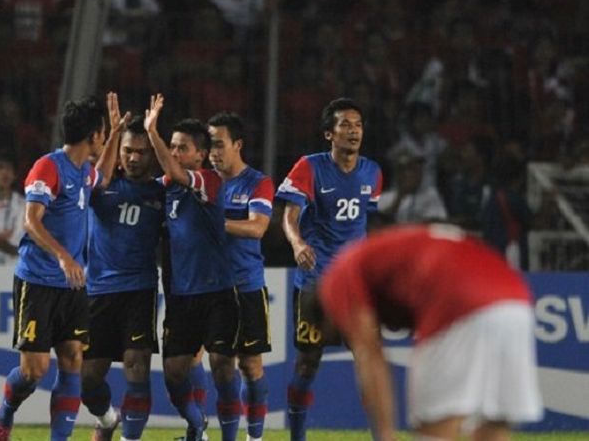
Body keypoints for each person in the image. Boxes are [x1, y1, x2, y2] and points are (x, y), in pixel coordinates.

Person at [318, 223, 543, 440]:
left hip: (460, 303)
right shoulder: (390, 253)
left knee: (435, 429)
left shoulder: (338, 277)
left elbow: (370, 355)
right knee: (494, 427)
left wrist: (385, 434)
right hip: (516, 301)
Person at [0, 94, 117, 441]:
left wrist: (117, 131)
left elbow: (103, 177)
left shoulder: (84, 171)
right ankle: (4, 412)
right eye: (103, 132)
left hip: (73, 286)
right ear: (92, 134)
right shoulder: (49, 166)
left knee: (73, 358)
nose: (104, 138)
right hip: (39, 281)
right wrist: (63, 256)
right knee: (34, 371)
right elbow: (31, 221)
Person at [275, 97, 382, 441]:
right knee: (307, 363)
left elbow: (367, 221)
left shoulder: (372, 172)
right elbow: (289, 216)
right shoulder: (309, 167)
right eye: (345, 125)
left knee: (369, 361)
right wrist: (297, 243)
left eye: (358, 125)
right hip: (315, 282)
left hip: (355, 285)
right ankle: (297, 436)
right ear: (328, 134)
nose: (353, 131)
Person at [144, 95, 241, 441]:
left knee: (222, 367)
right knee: (173, 372)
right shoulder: (166, 189)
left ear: (200, 155)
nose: (174, 152)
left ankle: (230, 436)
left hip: (217, 294)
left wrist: (151, 131)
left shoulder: (210, 182)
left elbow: (171, 170)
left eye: (181, 147)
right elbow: (136, 188)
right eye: (171, 146)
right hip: (181, 298)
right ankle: (196, 424)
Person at [80, 113, 166, 441]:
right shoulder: (102, 186)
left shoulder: (161, 193)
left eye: (141, 152)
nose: (132, 157)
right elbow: (91, 181)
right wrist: (113, 134)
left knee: (137, 364)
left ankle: (131, 438)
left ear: (152, 156)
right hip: (98, 291)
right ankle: (106, 419)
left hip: (139, 290)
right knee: (88, 378)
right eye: (128, 150)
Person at [208, 112, 274, 441]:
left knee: (251, 366)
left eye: (220, 145)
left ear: (238, 145)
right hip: (212, 289)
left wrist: (216, 224)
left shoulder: (257, 182)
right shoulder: (205, 183)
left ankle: (256, 437)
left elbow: (258, 228)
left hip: (247, 285)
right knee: (221, 367)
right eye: (209, 145)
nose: (214, 152)